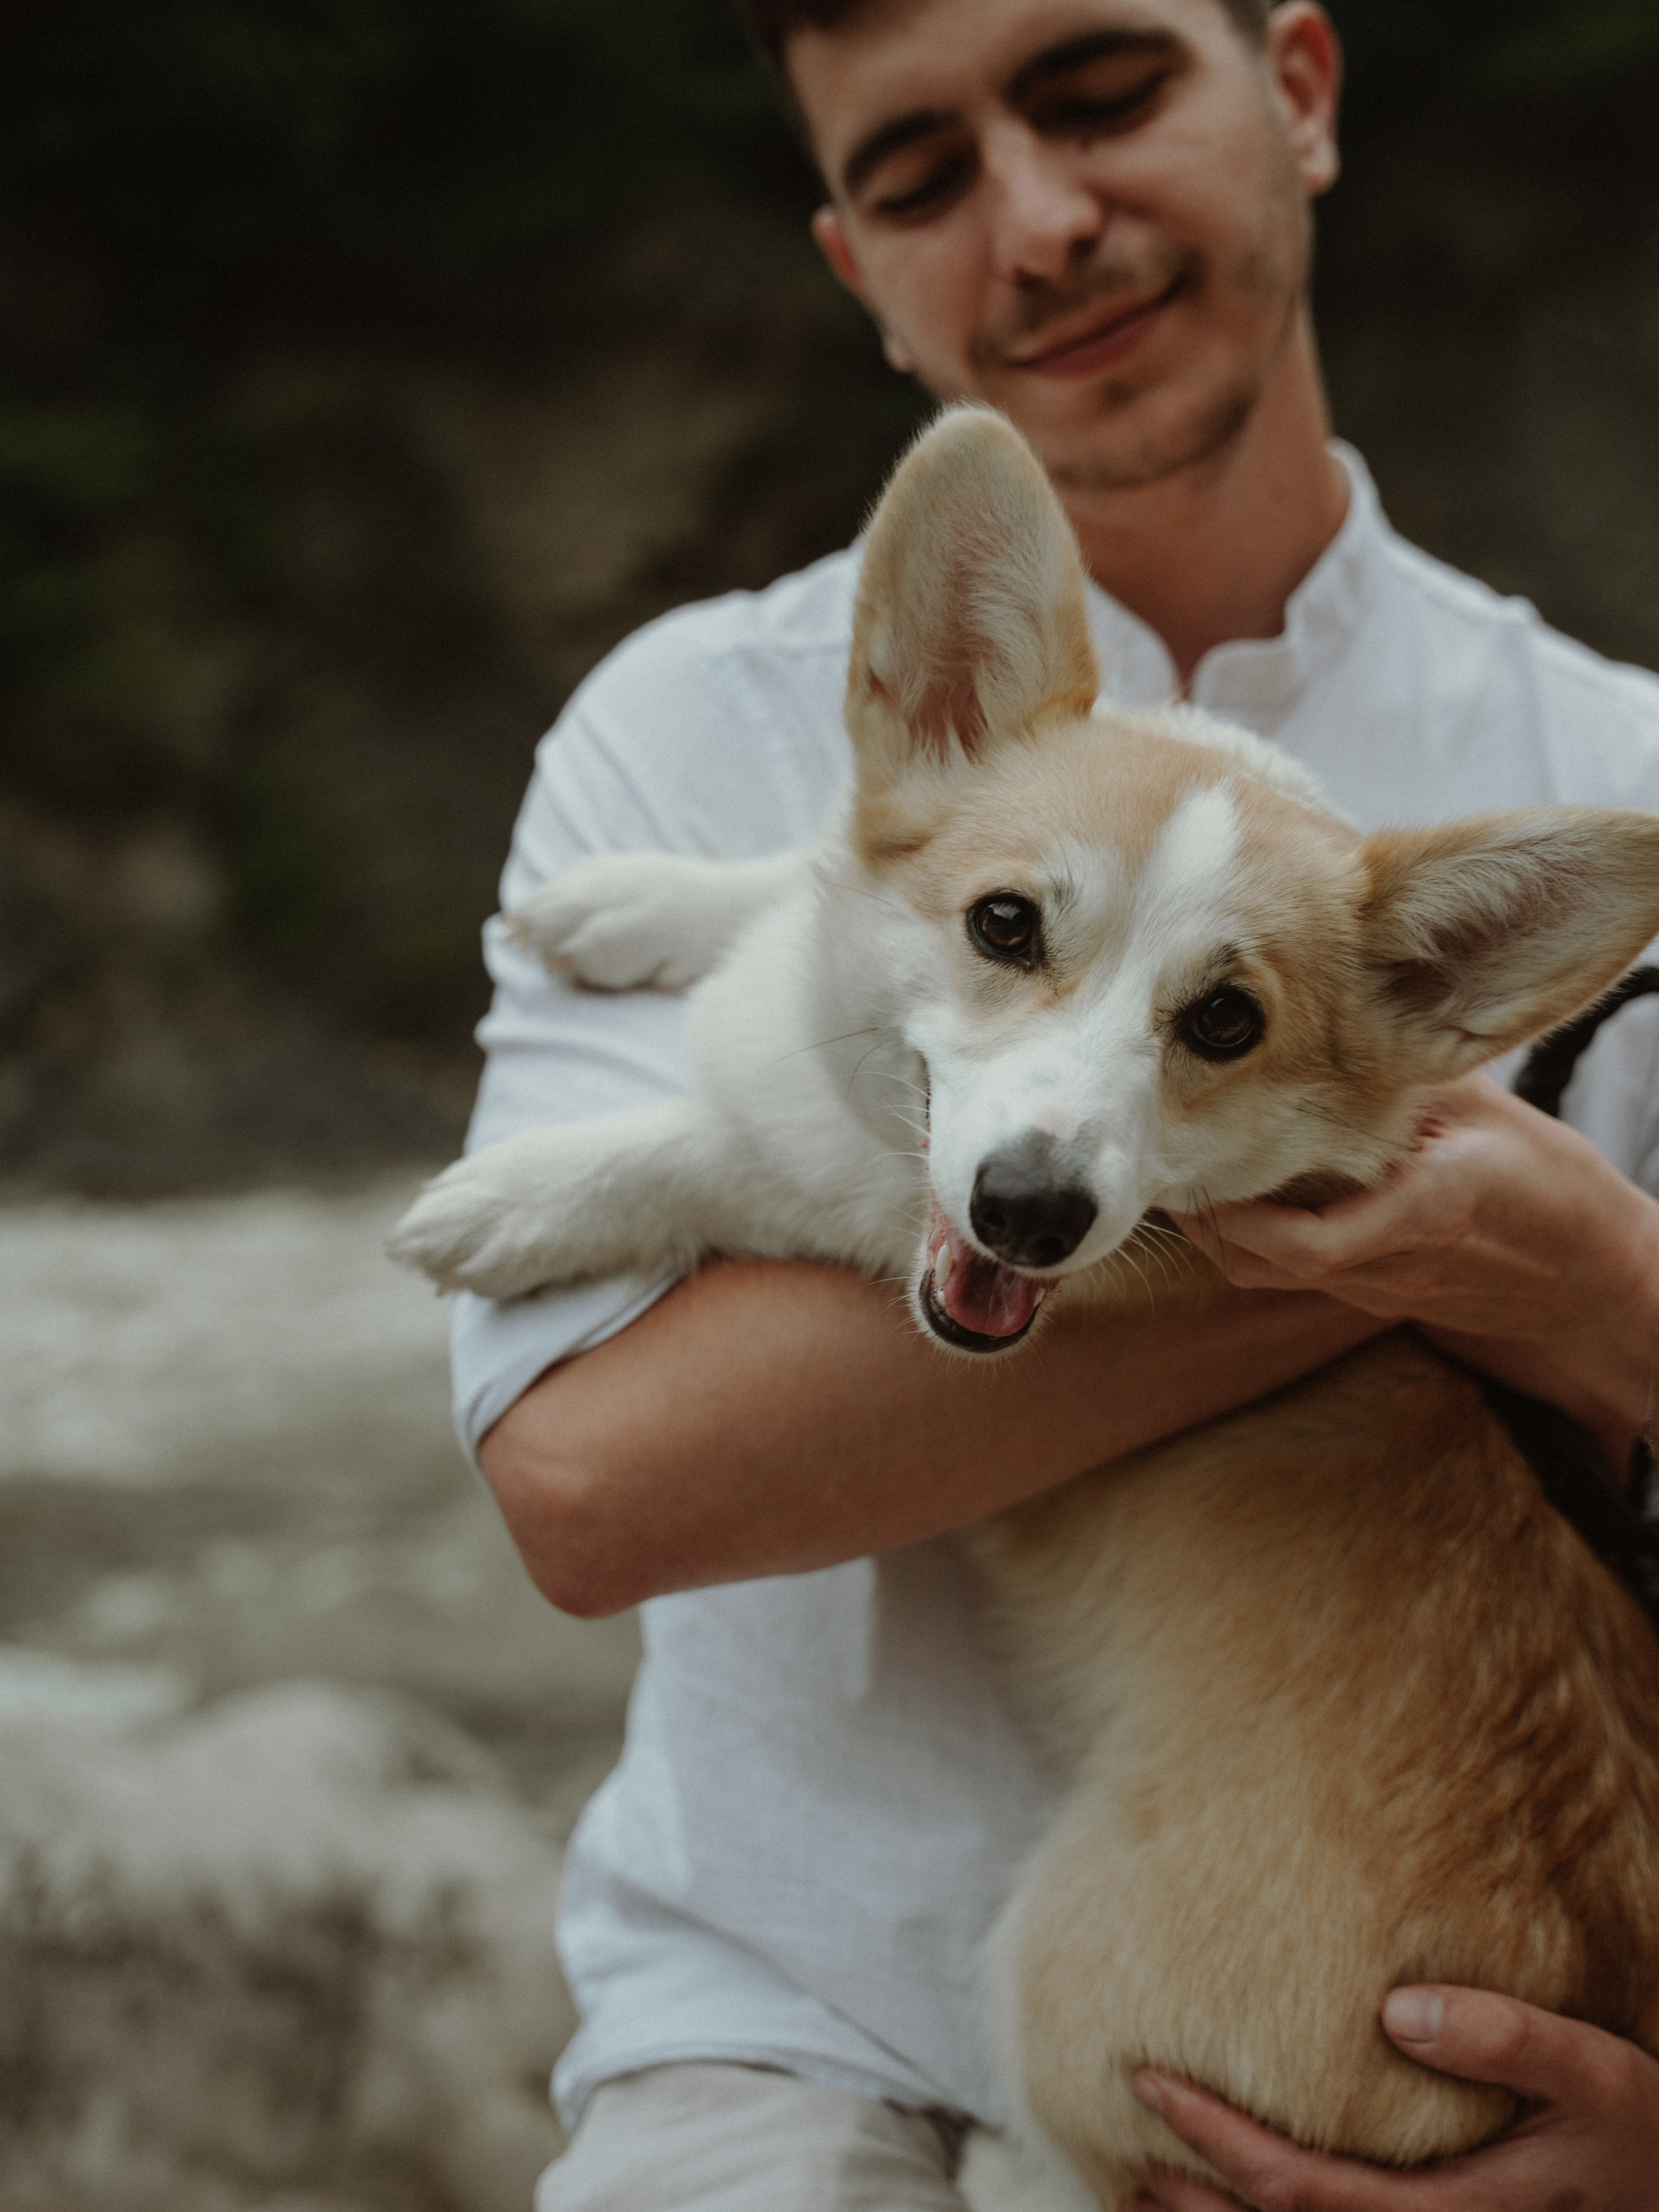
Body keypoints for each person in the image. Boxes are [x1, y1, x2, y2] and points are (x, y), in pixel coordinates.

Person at [448, 2, 1659, 2204]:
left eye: (1103, 94)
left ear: (1299, 88)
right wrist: (1435, 1253)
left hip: (1452, 2073)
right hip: (782, 2044)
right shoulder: (688, 729)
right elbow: (588, 1482)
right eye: (920, 173)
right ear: (852, 266)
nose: (1042, 222)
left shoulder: (1609, 765)